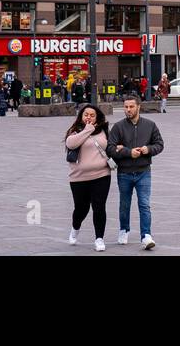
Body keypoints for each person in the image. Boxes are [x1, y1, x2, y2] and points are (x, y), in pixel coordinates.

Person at [107, 93, 163, 249]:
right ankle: (124, 230)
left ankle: (146, 235)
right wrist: (127, 152)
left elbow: (159, 144)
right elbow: (110, 148)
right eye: (126, 107)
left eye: (131, 106)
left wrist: (148, 149)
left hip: (143, 171)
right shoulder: (118, 127)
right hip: (124, 172)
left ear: (139, 106)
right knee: (124, 204)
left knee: (144, 204)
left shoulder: (150, 125)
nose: (128, 109)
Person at [65, 103, 113, 250]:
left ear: (97, 117)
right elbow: (71, 144)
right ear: (81, 116)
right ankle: (75, 228)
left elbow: (110, 146)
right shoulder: (75, 131)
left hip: (101, 175)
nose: (89, 117)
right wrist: (87, 130)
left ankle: (99, 239)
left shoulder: (103, 130)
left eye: (92, 115)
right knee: (81, 208)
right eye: (86, 115)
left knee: (99, 207)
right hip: (78, 178)